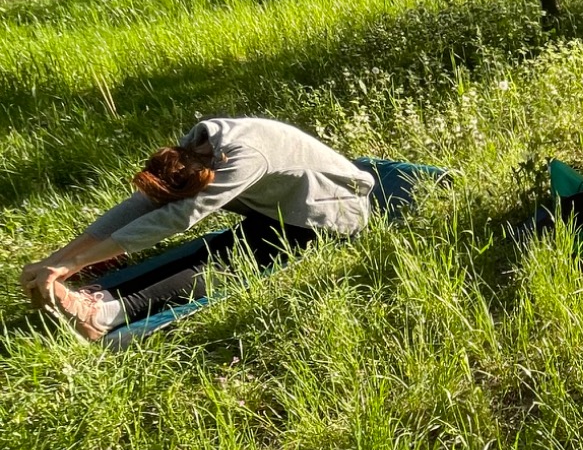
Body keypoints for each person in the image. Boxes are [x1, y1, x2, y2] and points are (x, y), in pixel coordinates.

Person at [19, 116, 378, 339]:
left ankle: (102, 315)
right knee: (213, 250)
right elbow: (145, 204)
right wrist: (59, 259)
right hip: (278, 209)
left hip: (331, 214)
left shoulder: (243, 158)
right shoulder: (198, 142)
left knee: (227, 261)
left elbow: (176, 219)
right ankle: (102, 296)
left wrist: (72, 265)